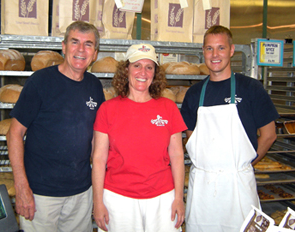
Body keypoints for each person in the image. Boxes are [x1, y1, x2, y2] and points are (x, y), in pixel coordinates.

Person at [6, 21, 105, 232]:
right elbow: (14, 133)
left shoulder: (95, 86)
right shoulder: (40, 82)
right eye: (74, 42)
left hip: (81, 192)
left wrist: (99, 189)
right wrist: (22, 186)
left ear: (95, 53)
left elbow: (98, 140)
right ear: (63, 46)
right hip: (40, 194)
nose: (81, 50)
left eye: (88, 44)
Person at [180, 25, 279, 231]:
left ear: (232, 50)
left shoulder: (251, 88)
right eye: (209, 49)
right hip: (203, 190)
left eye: (221, 48)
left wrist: (242, 164)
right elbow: (191, 139)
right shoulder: (194, 93)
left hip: (239, 186)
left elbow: (269, 135)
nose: (215, 55)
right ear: (203, 51)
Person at [92, 43, 187, 232]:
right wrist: (97, 202)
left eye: (149, 67)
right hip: (118, 198)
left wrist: (179, 197)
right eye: (137, 65)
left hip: (162, 198)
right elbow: (99, 158)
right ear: (126, 69)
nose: (143, 72)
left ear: (155, 73)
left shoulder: (168, 108)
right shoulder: (108, 109)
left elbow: (177, 155)